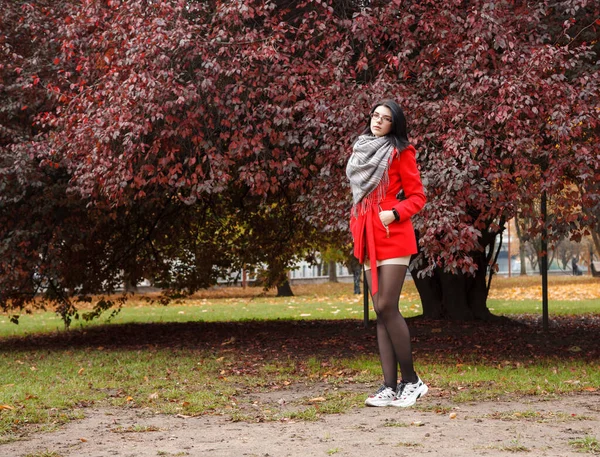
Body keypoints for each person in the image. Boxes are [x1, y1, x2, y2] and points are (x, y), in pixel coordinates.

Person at [346, 99, 427, 407]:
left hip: (393, 233)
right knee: (380, 311)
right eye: (375, 115)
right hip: (367, 235)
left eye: (386, 118)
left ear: (395, 125)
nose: (378, 121)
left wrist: (394, 212)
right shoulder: (360, 150)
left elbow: (418, 197)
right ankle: (389, 387)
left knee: (386, 305)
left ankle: (412, 381)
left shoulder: (400, 152)